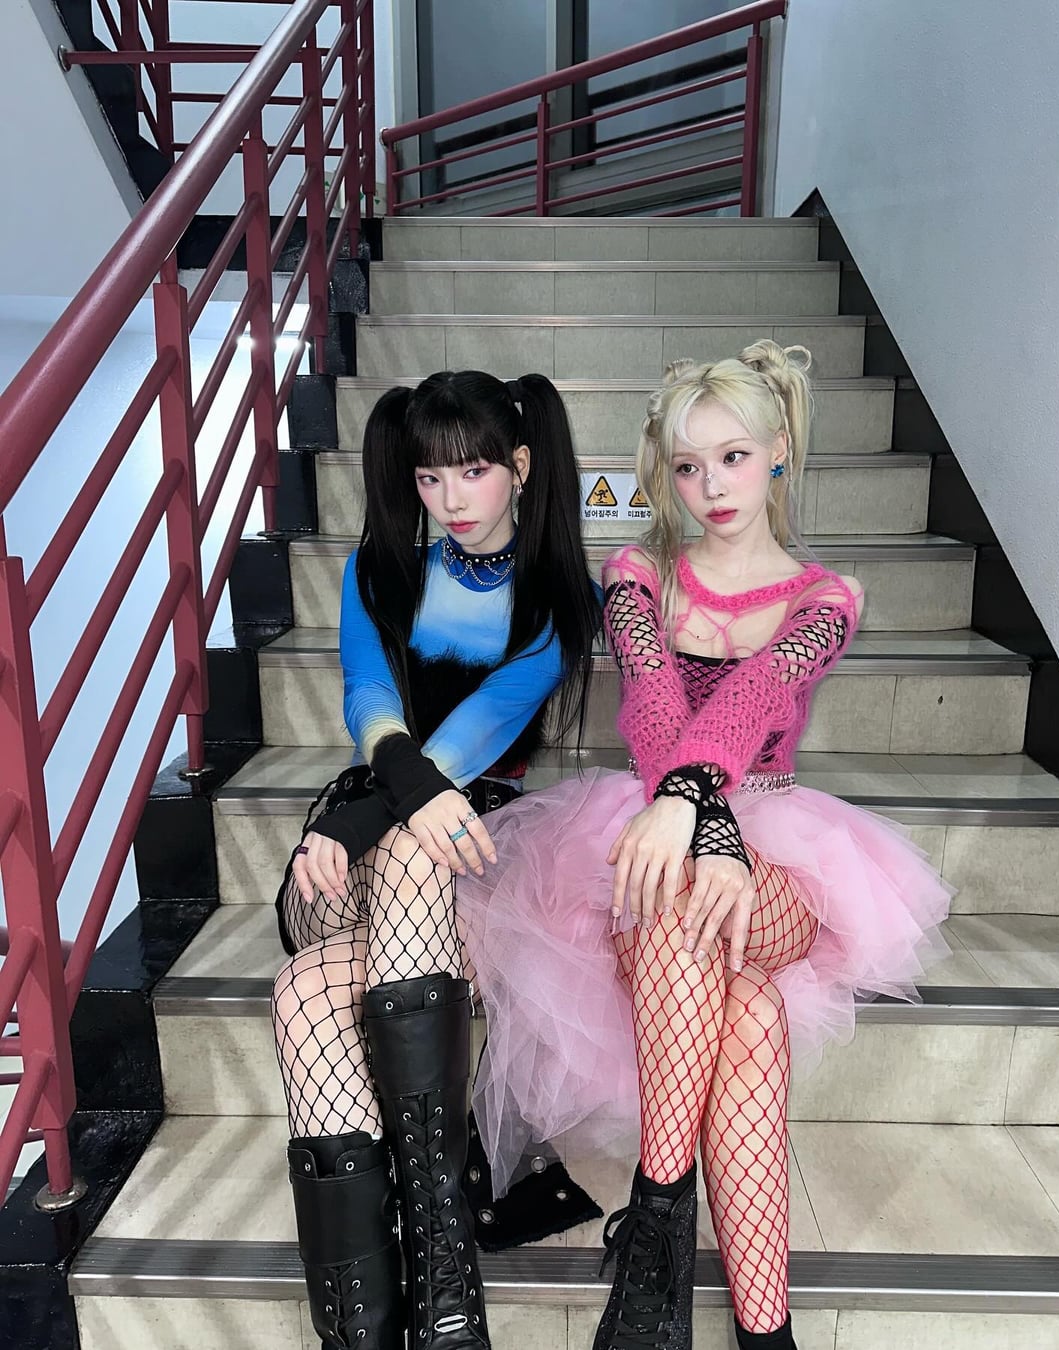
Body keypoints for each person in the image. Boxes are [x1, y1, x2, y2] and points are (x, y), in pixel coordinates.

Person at [456, 343, 952, 1350]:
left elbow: (760, 696)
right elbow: (649, 702)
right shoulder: (638, 575)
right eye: (687, 467)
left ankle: (653, 1232)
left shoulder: (826, 598)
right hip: (653, 824)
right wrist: (693, 813)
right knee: (750, 1018)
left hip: (780, 854)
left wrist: (704, 812)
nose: (712, 487)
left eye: (732, 458)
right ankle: (764, 1331)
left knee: (685, 900)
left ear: (779, 451)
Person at [269, 370, 602, 1350]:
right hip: (372, 809)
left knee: (305, 992)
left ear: (521, 466)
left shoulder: (562, 596)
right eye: (429, 477)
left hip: (478, 829)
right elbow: (369, 699)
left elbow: (476, 733)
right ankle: (443, 1296)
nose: (450, 498)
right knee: (395, 860)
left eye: (473, 471)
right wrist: (355, 822)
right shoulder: (381, 570)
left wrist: (361, 822)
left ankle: (404, 1307)